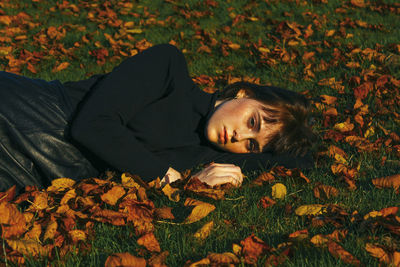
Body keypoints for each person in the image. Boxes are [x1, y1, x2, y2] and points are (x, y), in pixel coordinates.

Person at [0, 44, 316, 192]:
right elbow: (93, 125)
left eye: (250, 145)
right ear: (244, 93)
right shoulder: (169, 68)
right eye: (252, 123)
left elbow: (292, 162)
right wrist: (172, 180)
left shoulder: (206, 156)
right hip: (23, 114)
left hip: (30, 174)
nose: (238, 138)